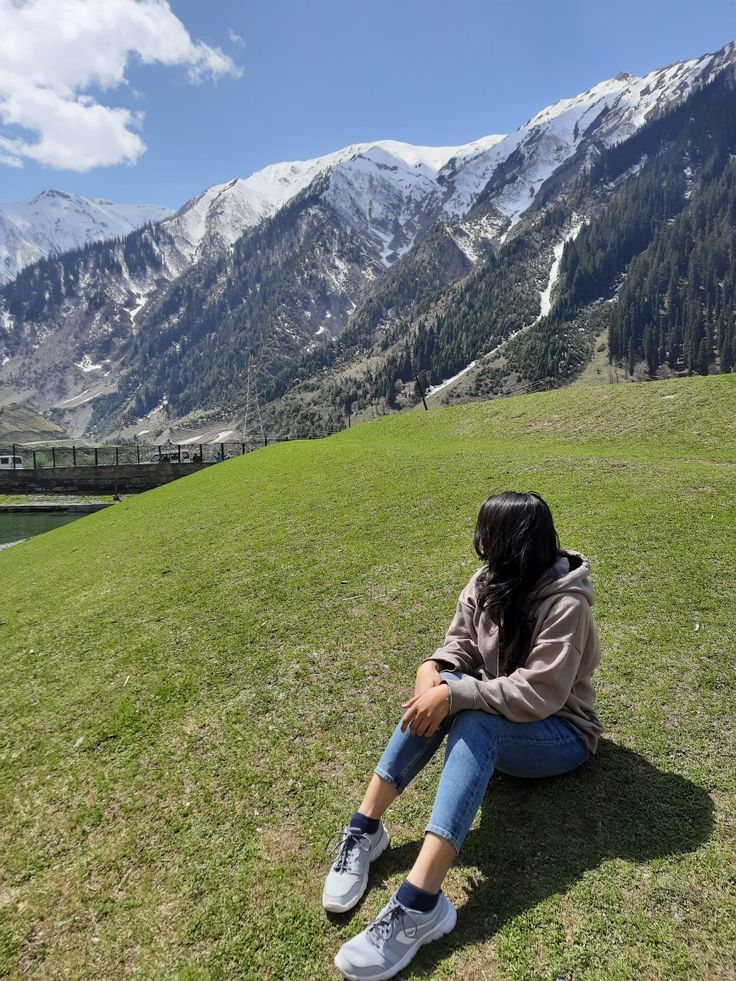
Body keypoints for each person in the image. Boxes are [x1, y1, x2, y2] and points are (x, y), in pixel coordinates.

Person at [324, 491, 603, 981]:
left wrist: (455, 696)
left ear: (514, 544)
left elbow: (540, 692)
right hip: (509, 715)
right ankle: (365, 829)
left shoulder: (567, 603)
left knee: (469, 714)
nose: (479, 544)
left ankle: (420, 902)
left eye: (488, 535)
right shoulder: (489, 580)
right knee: (447, 690)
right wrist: (432, 668)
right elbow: (461, 644)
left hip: (561, 733)